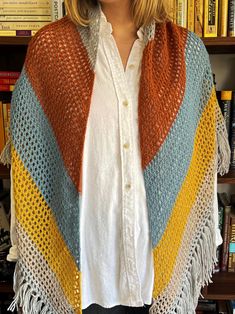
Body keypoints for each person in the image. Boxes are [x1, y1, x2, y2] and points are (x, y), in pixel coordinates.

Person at [3, 0, 230, 313]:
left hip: (157, 273)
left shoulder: (187, 53)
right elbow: (29, 161)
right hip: (84, 272)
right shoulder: (51, 48)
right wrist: (24, 245)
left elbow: (198, 166)